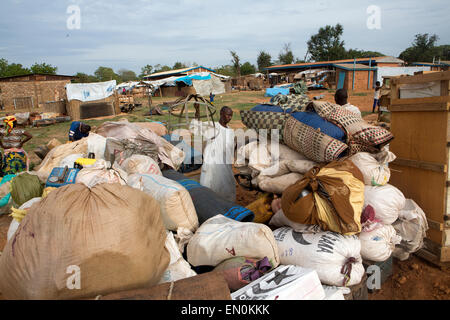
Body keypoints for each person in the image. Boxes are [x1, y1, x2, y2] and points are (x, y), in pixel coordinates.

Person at [200, 106, 236, 202]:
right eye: (228, 115)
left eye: (231, 116)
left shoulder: (230, 131)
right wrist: (197, 111)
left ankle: (226, 203)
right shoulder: (213, 126)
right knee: (210, 184)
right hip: (212, 163)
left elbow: (230, 147)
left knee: (226, 186)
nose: (230, 118)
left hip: (225, 164)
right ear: (221, 114)